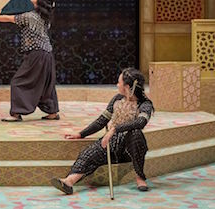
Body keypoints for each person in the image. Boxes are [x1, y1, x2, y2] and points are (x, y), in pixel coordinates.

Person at [50, 67, 154, 195]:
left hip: (130, 147)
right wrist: (81, 134)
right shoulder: (117, 99)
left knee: (135, 133)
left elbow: (140, 122)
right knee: (88, 153)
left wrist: (115, 129)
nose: (117, 85)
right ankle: (68, 182)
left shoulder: (145, 104)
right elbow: (101, 121)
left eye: (119, 82)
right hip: (112, 144)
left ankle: (140, 177)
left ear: (127, 86)